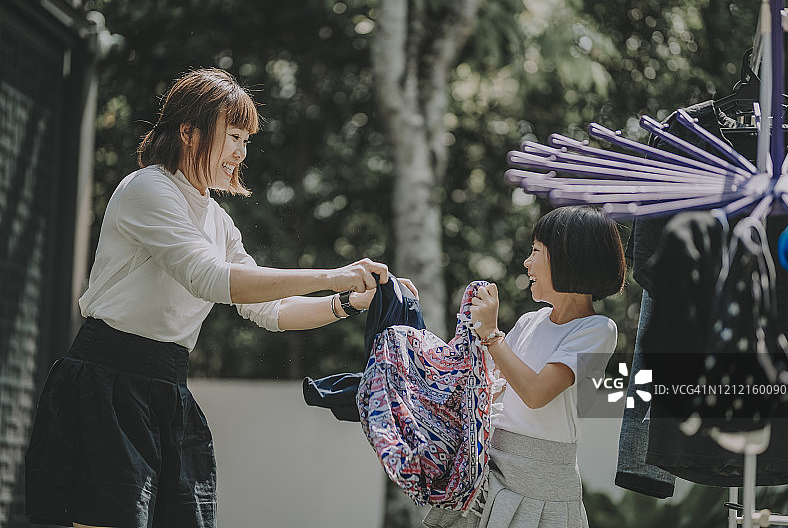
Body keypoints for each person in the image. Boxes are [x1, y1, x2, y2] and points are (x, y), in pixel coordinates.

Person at [24, 68, 415, 528]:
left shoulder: (220, 222)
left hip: (167, 388)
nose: (241, 153)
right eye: (233, 136)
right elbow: (209, 279)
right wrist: (333, 276)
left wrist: (347, 303)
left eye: (246, 140)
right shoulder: (147, 188)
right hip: (105, 383)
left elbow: (269, 311)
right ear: (188, 133)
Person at [423, 205, 625, 528]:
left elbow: (535, 392)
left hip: (543, 489)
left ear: (569, 257)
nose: (526, 262)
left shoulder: (598, 330)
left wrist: (491, 335)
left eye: (535, 251)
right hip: (493, 472)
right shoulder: (529, 322)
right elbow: (485, 385)